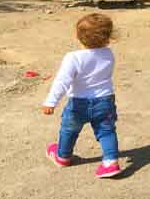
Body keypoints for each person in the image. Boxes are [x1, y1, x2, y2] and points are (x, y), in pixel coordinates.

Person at [42, 13, 121, 178]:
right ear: (108, 37)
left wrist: (51, 101)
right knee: (106, 131)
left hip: (78, 103)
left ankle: (63, 156)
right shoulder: (108, 54)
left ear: (78, 37)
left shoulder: (73, 58)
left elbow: (62, 81)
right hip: (105, 101)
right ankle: (111, 162)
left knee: (69, 130)